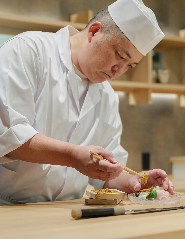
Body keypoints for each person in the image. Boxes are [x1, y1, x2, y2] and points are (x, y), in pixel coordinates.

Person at [0, 0, 174, 205]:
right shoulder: (29, 50)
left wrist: (134, 182)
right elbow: (9, 135)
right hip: (8, 207)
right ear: (94, 31)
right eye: (119, 55)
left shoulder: (107, 96)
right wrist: (73, 156)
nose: (119, 70)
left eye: (130, 65)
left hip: (67, 212)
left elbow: (110, 171)